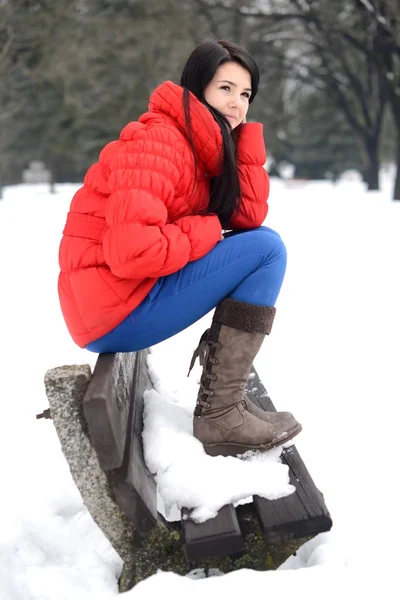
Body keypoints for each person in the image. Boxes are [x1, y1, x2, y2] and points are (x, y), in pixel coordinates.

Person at [58, 39, 302, 457]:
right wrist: (205, 229)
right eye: (225, 88)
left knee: (261, 243)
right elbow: (132, 251)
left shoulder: (196, 146)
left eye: (245, 95)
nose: (237, 103)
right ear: (197, 87)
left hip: (118, 302)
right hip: (116, 310)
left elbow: (245, 218)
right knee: (267, 250)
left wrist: (242, 143)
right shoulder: (161, 143)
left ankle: (224, 405)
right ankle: (222, 411)